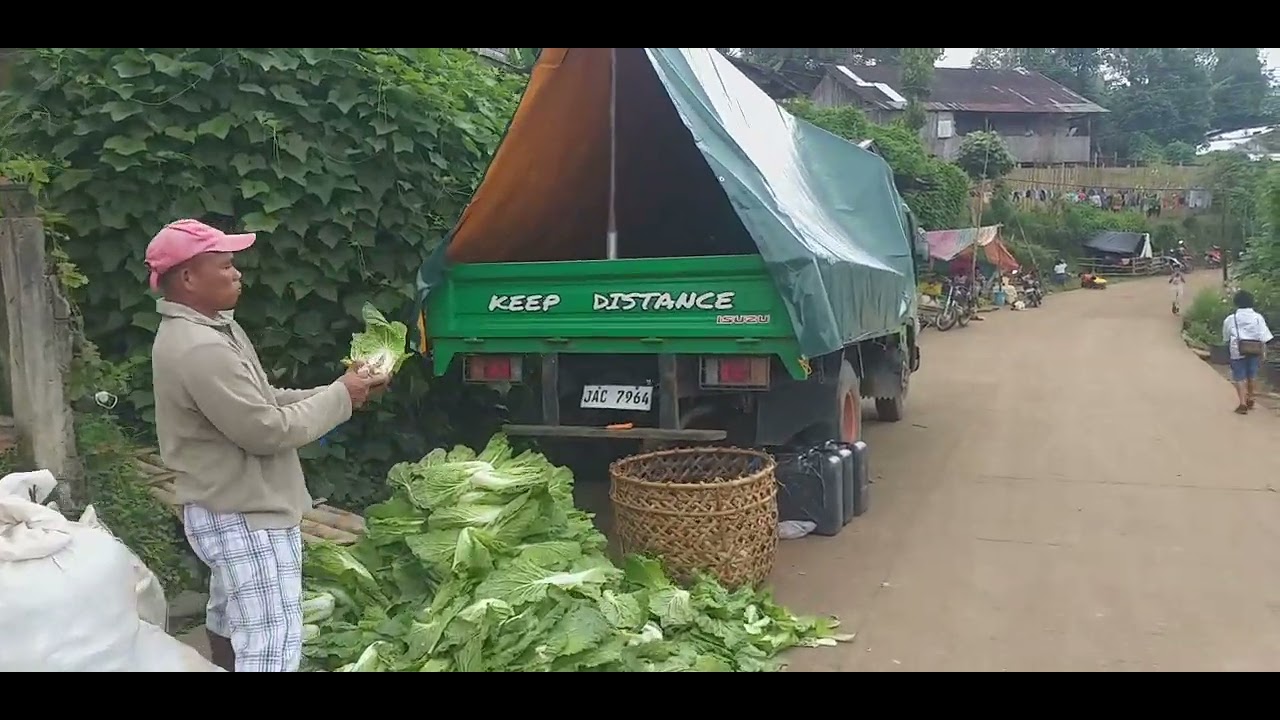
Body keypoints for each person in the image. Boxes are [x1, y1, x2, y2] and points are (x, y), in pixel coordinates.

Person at [146, 218, 386, 672]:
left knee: (229, 615)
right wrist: (342, 396)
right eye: (226, 266)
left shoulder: (216, 329)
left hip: (226, 505)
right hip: (244, 512)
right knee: (272, 641)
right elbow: (266, 431)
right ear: (188, 278)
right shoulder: (201, 348)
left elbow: (262, 401)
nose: (237, 274)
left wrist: (341, 391)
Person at [1221, 289, 1273, 415]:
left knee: (1239, 377)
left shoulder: (1231, 319)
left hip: (1237, 350)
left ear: (1236, 302)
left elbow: (1226, 337)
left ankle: (1242, 403)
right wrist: (1264, 352)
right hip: (1254, 350)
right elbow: (1264, 336)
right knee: (1252, 375)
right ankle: (1251, 397)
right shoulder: (1258, 318)